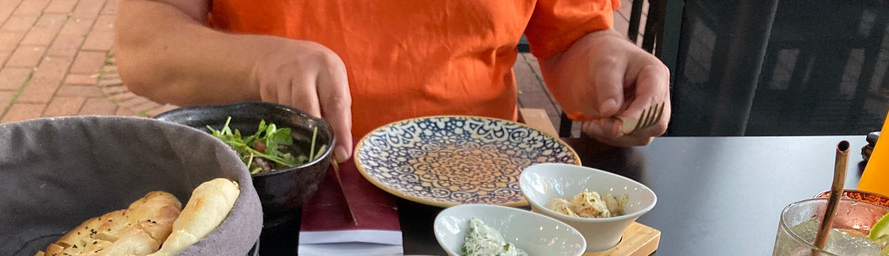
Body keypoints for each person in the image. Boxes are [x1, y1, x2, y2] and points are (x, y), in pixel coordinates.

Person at [114, 0, 672, 162]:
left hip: (477, 191)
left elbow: (572, 38)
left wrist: (612, 70)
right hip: (279, 187)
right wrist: (260, 64)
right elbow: (143, 45)